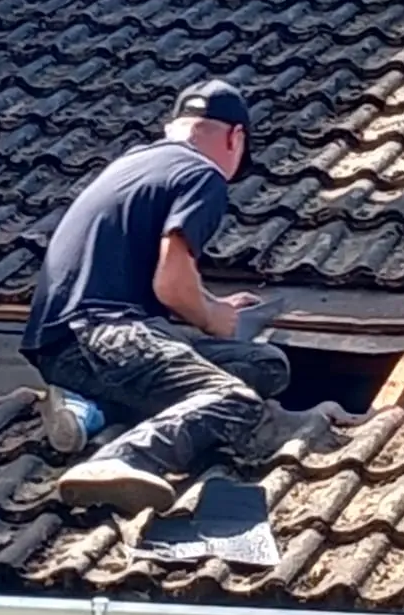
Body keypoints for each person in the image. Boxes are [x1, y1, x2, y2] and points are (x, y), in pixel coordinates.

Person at [21, 79, 290, 516]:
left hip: (61, 344)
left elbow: (154, 275)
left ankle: (85, 408)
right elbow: (171, 285)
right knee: (235, 400)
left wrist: (211, 302)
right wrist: (211, 317)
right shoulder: (203, 174)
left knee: (264, 365)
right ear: (234, 137)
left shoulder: (135, 162)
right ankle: (118, 460)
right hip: (106, 335)